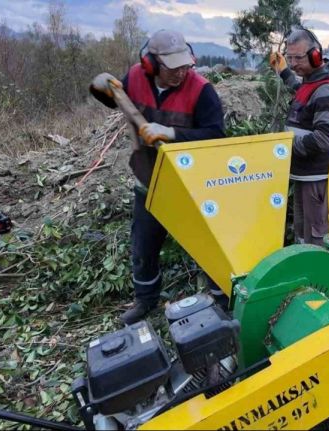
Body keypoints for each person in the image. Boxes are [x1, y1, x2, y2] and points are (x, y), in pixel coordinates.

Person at [90, 29, 226, 324]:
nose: (180, 73)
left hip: (189, 186)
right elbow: (115, 99)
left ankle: (220, 298)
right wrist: (99, 86)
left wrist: (172, 133)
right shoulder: (136, 78)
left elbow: (216, 135)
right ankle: (146, 301)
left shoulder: (202, 91)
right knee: (144, 246)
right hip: (149, 181)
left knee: (206, 246)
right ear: (151, 64)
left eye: (184, 66)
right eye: (172, 68)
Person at [269, 28, 329, 246]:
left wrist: (283, 146)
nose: (293, 63)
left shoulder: (327, 90)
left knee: (316, 237)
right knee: (302, 234)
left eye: (298, 58)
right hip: (304, 175)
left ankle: (319, 279)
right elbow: (301, 91)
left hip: (317, 178)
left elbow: (323, 139)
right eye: (289, 57)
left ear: (316, 55)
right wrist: (284, 71)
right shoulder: (311, 81)